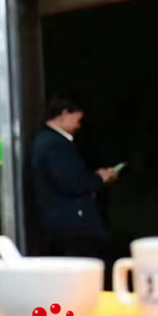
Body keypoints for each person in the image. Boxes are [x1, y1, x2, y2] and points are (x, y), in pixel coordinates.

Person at [31, 97, 118, 258]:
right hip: (70, 227)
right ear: (65, 114)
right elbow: (71, 182)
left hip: (60, 226)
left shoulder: (47, 141)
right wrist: (100, 178)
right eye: (78, 119)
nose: (79, 125)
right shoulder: (54, 144)